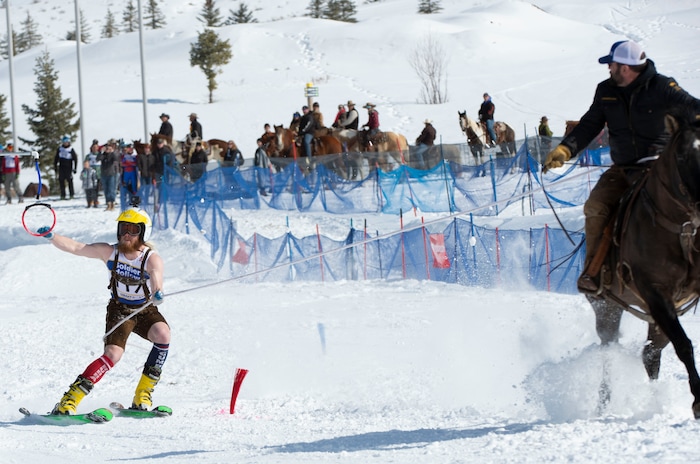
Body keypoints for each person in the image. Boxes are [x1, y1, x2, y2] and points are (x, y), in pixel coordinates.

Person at [543, 40, 700, 294]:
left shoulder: (661, 86)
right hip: (624, 170)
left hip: (662, 169)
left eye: (612, 64)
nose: (609, 69)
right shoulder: (606, 91)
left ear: (625, 68)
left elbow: (693, 107)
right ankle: (593, 273)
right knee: (595, 207)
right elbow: (589, 124)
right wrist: (565, 149)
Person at [37, 203, 169, 415]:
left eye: (133, 230)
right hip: (119, 310)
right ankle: (69, 400)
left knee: (163, 335)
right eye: (123, 228)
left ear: (143, 232)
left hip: (144, 309)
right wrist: (52, 237)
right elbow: (76, 247)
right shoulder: (110, 252)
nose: (127, 234)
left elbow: (156, 275)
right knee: (113, 354)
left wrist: (158, 291)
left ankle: (142, 394)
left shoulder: (150, 257)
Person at [54, 136, 78, 200]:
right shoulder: (60, 149)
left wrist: (75, 168)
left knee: (69, 181)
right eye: (64, 142)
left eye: (67, 142)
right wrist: (55, 167)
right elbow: (56, 159)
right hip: (62, 167)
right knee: (61, 181)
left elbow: (75, 159)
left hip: (68, 167)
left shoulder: (71, 149)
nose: (65, 143)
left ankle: (71, 194)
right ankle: (62, 195)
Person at [98, 141, 120, 211]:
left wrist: (112, 152)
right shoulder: (103, 155)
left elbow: (116, 159)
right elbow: (98, 158)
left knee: (111, 189)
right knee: (106, 190)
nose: (107, 150)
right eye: (106, 148)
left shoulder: (112, 155)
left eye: (109, 148)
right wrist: (101, 152)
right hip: (104, 174)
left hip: (111, 174)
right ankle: (108, 203)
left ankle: (112, 203)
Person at [120, 143, 139, 211]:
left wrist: (129, 163)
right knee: (125, 186)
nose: (130, 150)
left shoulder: (135, 156)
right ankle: (124, 201)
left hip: (133, 173)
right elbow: (122, 164)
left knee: (134, 187)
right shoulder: (124, 156)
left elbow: (136, 163)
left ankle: (135, 202)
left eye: (131, 149)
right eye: (129, 148)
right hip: (126, 173)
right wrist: (129, 164)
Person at [85, 140, 102, 206]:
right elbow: (86, 163)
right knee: (90, 188)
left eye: (96, 147)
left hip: (98, 173)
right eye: (93, 147)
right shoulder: (89, 155)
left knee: (96, 188)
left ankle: (95, 200)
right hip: (90, 173)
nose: (95, 149)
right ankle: (90, 200)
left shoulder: (100, 155)